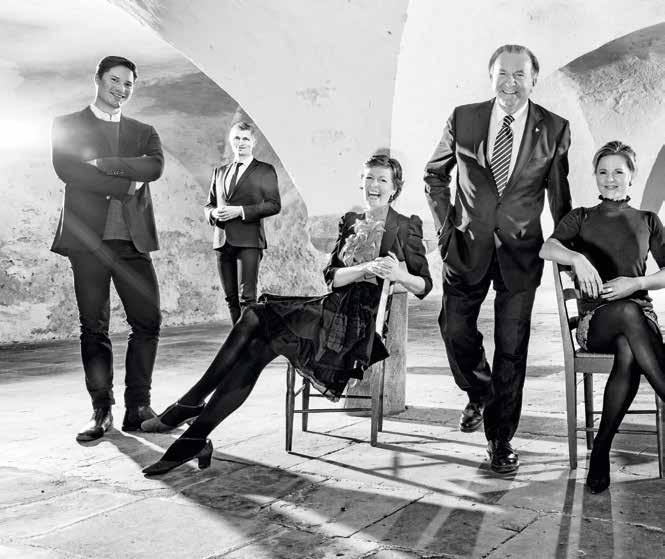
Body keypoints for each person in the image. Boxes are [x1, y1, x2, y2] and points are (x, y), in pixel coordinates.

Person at [141, 154, 432, 475]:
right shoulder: (350, 220)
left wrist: (398, 274)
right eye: (369, 178)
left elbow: (423, 285)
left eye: (382, 180)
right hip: (329, 308)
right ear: (361, 182)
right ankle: (194, 436)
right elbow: (332, 278)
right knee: (256, 342)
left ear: (394, 188)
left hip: (355, 327)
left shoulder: (405, 226)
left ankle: (190, 408)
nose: (374, 185)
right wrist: (365, 268)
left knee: (255, 316)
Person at [424, 44, 572, 474]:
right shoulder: (464, 118)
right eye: (503, 74)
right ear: (491, 77)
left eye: (519, 75)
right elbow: (435, 174)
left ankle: (500, 440)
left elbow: (560, 199)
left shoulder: (554, 128)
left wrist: (567, 252)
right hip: (465, 247)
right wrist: (445, 230)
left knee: (512, 349)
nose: (511, 83)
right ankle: (479, 389)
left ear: (533, 79)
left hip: (521, 254)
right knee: (454, 329)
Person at [540, 140, 665, 493]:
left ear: (631, 176)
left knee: (628, 344)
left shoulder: (648, 220)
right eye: (603, 172)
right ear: (595, 176)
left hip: (641, 322)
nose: (610, 179)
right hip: (595, 323)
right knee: (625, 312)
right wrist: (577, 258)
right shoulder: (581, 217)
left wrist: (636, 283)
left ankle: (601, 451)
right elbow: (546, 247)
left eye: (618, 172)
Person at [50, 56, 164, 441]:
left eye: (128, 84)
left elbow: (154, 168)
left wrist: (104, 163)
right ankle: (101, 410)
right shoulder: (67, 125)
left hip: (132, 241)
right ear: (98, 79)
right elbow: (69, 170)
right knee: (94, 326)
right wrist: (125, 181)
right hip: (88, 242)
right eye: (115, 80)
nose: (121, 89)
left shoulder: (144, 131)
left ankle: (138, 407)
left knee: (148, 322)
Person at [204, 122, 282, 324]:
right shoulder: (219, 171)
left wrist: (240, 211)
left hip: (249, 241)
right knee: (231, 300)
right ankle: (238, 341)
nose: (241, 142)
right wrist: (214, 213)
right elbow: (209, 205)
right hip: (222, 242)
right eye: (237, 138)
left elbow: (274, 205)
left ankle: (248, 341)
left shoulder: (264, 170)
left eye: (245, 138)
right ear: (231, 141)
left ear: (253, 142)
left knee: (247, 299)